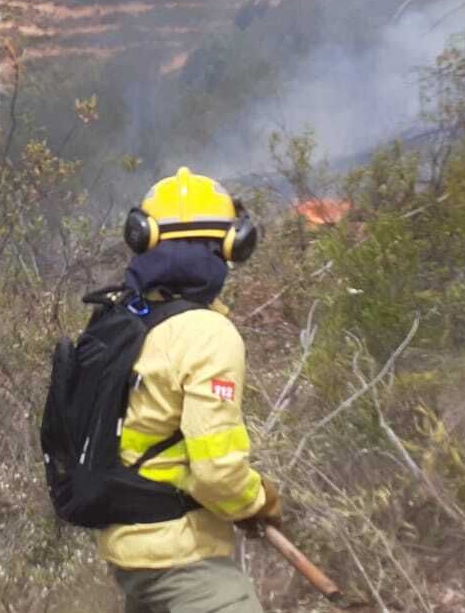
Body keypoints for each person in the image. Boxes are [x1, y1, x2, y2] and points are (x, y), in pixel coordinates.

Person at [102, 167, 282, 613]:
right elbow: (216, 473)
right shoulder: (206, 333)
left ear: (143, 236)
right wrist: (257, 502)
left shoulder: (120, 318)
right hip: (180, 558)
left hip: (127, 550)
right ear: (232, 244)